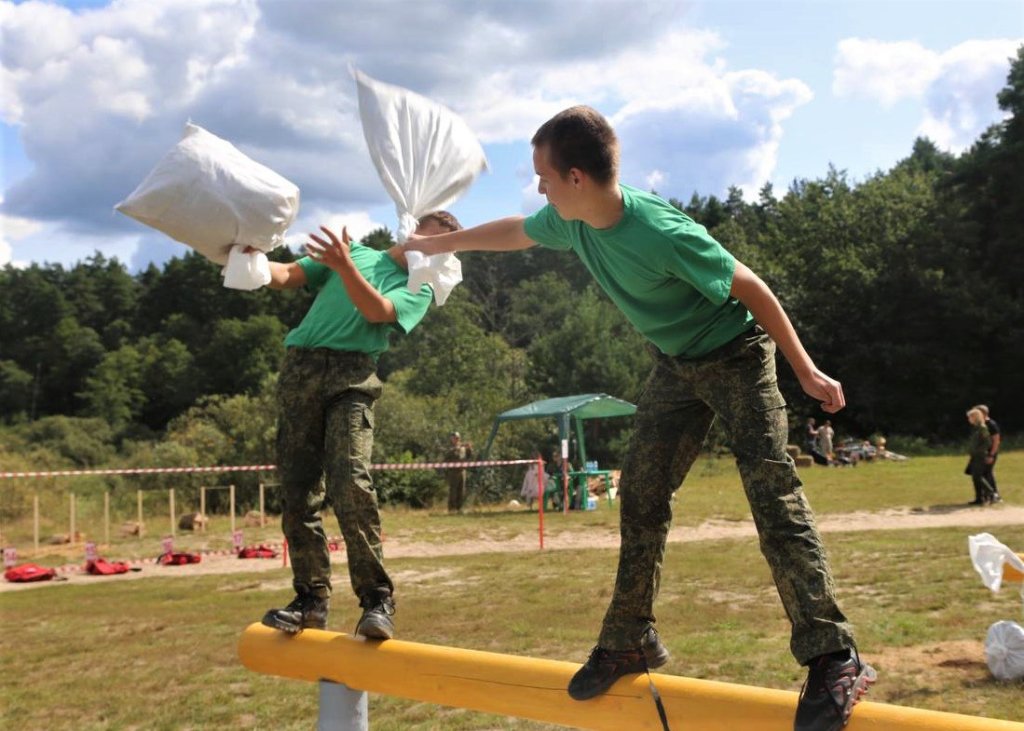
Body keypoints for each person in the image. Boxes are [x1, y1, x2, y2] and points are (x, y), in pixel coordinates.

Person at [406, 106, 874, 731]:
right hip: (676, 367)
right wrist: (436, 242)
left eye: (543, 175)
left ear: (576, 177)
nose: (538, 187)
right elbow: (517, 230)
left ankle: (835, 657)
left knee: (773, 496)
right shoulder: (572, 222)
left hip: (736, 357)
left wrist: (807, 370)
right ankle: (630, 638)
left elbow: (752, 287)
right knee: (642, 496)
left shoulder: (659, 230)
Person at [260, 211, 462, 641]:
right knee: (297, 493)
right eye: (433, 238)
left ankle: (377, 601)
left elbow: (376, 310)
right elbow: (285, 275)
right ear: (412, 229)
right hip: (301, 370)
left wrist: (344, 265)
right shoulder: (355, 253)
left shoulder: (419, 287)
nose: (434, 249)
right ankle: (310, 601)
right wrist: (245, 261)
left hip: (352, 378)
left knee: (351, 482)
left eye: (444, 247)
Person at [966, 408, 997, 506]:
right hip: (975, 455)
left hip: (980, 456)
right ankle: (979, 498)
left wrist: (979, 450)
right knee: (975, 477)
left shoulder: (982, 428)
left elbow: (988, 442)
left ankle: (991, 493)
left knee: (978, 476)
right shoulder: (976, 428)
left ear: (975, 417)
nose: (969, 419)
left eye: (970, 417)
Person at [974, 404, 1002, 502]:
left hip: (989, 453)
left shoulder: (991, 424)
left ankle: (995, 495)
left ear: (983, 413)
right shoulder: (979, 425)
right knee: (980, 474)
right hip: (981, 454)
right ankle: (982, 497)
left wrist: (991, 455)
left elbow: (996, 441)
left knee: (987, 474)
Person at [444, 431, 473, 513]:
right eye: (455, 438)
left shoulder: (463, 448)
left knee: (461, 490)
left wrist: (469, 448)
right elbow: (446, 459)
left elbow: (469, 456)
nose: (457, 439)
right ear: (452, 439)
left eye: (458, 438)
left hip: (462, 471)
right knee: (453, 491)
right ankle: (452, 509)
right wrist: (455, 449)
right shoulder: (450, 448)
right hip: (453, 472)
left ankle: (459, 508)